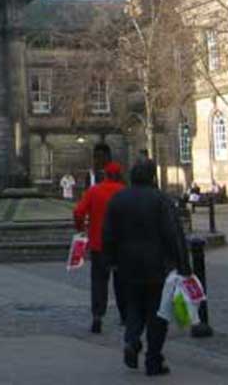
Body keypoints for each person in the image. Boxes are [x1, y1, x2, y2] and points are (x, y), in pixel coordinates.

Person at [102, 161, 187, 377]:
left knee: (134, 307)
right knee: (158, 312)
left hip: (127, 265)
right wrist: (182, 264)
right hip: (157, 265)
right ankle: (153, 359)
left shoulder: (118, 199)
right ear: (152, 177)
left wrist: (110, 260)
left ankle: (131, 340)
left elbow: (108, 233)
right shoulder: (160, 199)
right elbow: (172, 234)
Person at [73, 161, 127, 334]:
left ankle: (97, 316)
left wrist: (81, 229)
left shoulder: (94, 191)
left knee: (99, 282)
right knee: (122, 282)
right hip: (121, 245)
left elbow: (78, 212)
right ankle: (125, 316)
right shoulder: (125, 192)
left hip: (99, 244)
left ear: (105, 175)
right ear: (119, 175)